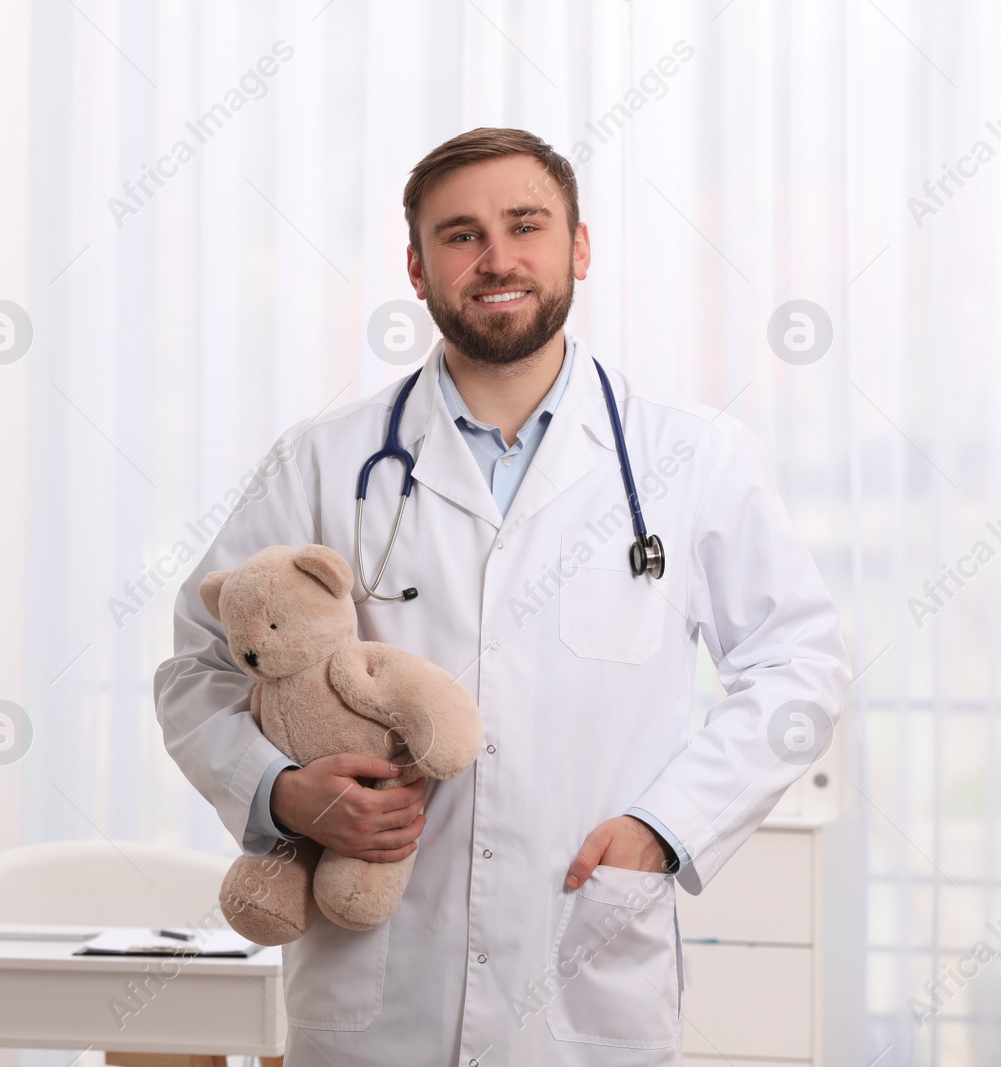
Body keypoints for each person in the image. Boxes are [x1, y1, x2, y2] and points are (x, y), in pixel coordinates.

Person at [152, 127, 850, 1066]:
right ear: (417, 265)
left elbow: (798, 664)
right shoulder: (324, 463)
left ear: (580, 247)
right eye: (460, 234)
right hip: (377, 990)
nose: (497, 258)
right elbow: (198, 667)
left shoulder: (692, 459)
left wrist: (665, 827)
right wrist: (280, 793)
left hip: (583, 975)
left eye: (526, 225)